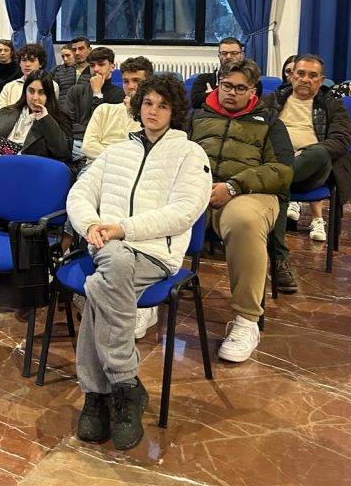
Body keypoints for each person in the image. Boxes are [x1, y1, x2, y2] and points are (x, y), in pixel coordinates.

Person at [67, 75, 211, 451]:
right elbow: (80, 192)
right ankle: (125, 387)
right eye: (148, 103)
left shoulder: (191, 154)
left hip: (155, 254)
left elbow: (184, 212)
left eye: (163, 105)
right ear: (138, 105)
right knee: (113, 265)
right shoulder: (117, 151)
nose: (153, 111)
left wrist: (124, 229)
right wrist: (91, 225)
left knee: (100, 289)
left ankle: (98, 393)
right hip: (108, 245)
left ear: (174, 111)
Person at [186, 59, 293, 363]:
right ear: (218, 84)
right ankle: (146, 301)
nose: (232, 93)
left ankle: (247, 321)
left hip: (248, 195)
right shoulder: (196, 117)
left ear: (252, 91)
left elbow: (283, 170)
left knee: (244, 221)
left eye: (240, 88)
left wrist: (233, 186)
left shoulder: (269, 122)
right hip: (197, 192)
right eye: (227, 86)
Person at [262, 54, 351, 266]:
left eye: (313, 76)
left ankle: (274, 179)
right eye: (301, 73)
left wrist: (303, 152)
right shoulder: (272, 100)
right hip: (277, 164)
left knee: (318, 153)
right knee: (282, 185)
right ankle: (279, 261)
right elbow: (256, 131)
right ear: (291, 76)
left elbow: (340, 140)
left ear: (321, 80)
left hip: (313, 169)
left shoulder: (332, 105)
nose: (305, 79)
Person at [0, 70, 72, 163]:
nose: (35, 98)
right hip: (0, 162)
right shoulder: (7, 112)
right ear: (25, 91)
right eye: (31, 91)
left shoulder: (60, 119)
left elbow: (63, 151)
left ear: (49, 95)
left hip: (32, 167)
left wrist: (45, 119)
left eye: (41, 92)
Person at [81, 56, 153, 162]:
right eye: (126, 81)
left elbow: (139, 150)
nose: (130, 86)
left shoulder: (153, 116)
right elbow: (88, 147)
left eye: (136, 81)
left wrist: (134, 111)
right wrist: (118, 159)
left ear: (149, 83)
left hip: (130, 167)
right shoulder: (104, 110)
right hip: (97, 164)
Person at [62, 46, 125, 150]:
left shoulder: (119, 94)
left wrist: (97, 93)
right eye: (92, 65)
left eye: (101, 64)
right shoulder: (75, 90)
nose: (96, 69)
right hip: (74, 142)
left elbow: (101, 127)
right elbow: (66, 124)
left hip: (100, 146)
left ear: (112, 67)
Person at [190, 37, 264, 109]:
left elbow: (250, 104)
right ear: (219, 56)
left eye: (234, 53)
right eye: (224, 53)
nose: (228, 56)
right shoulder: (203, 79)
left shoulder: (253, 81)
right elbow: (195, 103)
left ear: (241, 56)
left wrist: (211, 94)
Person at [0, 43, 59, 117]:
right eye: (24, 60)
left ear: (41, 63)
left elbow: (51, 113)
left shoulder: (52, 85)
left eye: (32, 60)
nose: (27, 64)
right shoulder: (9, 87)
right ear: (20, 64)